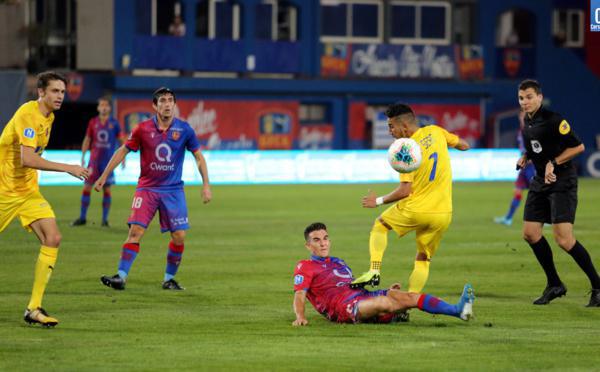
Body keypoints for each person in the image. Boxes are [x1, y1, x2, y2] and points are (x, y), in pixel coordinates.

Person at [96, 87, 211, 291]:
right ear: (155, 106)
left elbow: (199, 157)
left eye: (170, 100)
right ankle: (120, 277)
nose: (167, 104)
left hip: (173, 191)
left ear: (174, 104)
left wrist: (206, 185)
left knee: (179, 236)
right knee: (136, 231)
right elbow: (123, 150)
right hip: (147, 189)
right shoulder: (142, 129)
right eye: (163, 101)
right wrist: (104, 176)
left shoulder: (184, 130)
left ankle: (169, 279)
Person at [351, 103, 470, 295]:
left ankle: (374, 270)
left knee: (380, 225)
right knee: (423, 258)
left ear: (404, 127)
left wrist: (378, 201)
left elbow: (404, 191)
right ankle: (409, 301)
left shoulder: (406, 149)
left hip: (416, 210)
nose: (389, 131)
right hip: (443, 214)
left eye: (391, 126)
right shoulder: (436, 131)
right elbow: (464, 145)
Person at [0, 71, 89, 327]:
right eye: (55, 91)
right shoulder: (28, 115)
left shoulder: (48, 117)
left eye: (62, 92)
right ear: (41, 92)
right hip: (4, 191)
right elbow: (27, 159)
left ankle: (33, 308)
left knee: (53, 237)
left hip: (27, 191)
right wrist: (68, 167)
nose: (60, 96)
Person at [517, 79, 600, 306]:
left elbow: (578, 146)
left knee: (564, 239)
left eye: (529, 97)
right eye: (522, 98)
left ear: (540, 98)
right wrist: (526, 157)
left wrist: (554, 161)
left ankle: (598, 285)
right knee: (530, 233)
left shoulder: (555, 120)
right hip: (540, 181)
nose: (525, 102)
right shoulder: (527, 122)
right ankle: (555, 284)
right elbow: (535, 148)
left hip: (562, 181)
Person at [292, 222, 475, 326]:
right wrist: (300, 316)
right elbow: (299, 295)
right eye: (316, 240)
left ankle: (458, 310)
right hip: (342, 308)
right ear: (308, 245)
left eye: (325, 238)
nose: (323, 243)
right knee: (385, 303)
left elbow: (350, 285)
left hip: (361, 296)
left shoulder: (338, 261)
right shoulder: (305, 266)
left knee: (406, 296)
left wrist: (380, 288)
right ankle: (393, 313)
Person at [71, 96, 123, 227]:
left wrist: (124, 158)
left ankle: (104, 220)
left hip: (108, 162)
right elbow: (87, 139)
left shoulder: (115, 123)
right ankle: (82, 218)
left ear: (109, 108)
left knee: (107, 190)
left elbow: (122, 141)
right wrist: (83, 156)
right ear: (98, 108)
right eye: (102, 105)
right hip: (93, 161)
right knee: (87, 187)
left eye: (106, 105)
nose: (104, 107)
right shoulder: (93, 122)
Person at [494, 110, 536, 226]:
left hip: (532, 167)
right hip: (524, 167)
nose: (522, 119)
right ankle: (508, 218)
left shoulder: (532, 132)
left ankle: (547, 218)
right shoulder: (521, 131)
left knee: (539, 193)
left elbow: (538, 151)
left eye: (524, 117)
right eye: (521, 117)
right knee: (517, 190)